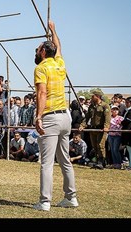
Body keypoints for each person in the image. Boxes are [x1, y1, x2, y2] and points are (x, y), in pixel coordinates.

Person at [33, 20, 78, 211]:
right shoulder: (60, 64)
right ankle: (71, 197)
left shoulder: (41, 68)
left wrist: (38, 116)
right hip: (65, 117)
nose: (36, 50)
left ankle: (45, 201)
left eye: (38, 48)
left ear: (43, 52)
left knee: (47, 162)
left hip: (50, 117)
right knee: (65, 160)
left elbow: (42, 93)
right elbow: (58, 46)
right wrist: (53, 30)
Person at [79, 91, 111, 169]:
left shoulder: (105, 106)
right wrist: (82, 125)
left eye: (92, 96)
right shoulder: (91, 106)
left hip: (101, 129)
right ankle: (97, 160)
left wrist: (106, 127)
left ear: (97, 96)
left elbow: (107, 118)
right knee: (94, 146)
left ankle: (102, 161)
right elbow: (87, 117)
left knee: (101, 145)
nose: (91, 98)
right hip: (93, 128)